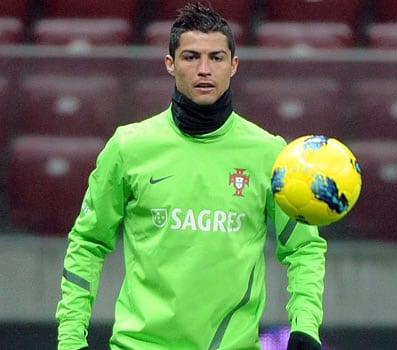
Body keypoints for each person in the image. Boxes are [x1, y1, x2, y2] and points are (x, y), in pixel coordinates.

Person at [55, 3, 326, 350]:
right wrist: (69, 338)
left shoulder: (269, 153)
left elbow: (304, 247)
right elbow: (87, 243)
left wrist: (305, 323)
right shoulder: (128, 147)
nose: (203, 70)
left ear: (234, 65)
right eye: (190, 57)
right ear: (170, 64)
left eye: (216, 58)